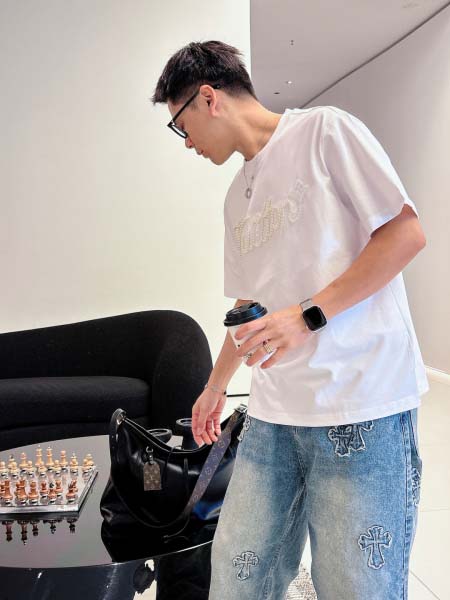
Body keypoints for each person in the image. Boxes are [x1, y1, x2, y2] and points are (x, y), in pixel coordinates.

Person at [152, 40, 428, 600]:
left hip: (360, 404)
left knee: (355, 587)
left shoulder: (325, 131)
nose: (187, 144)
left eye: (181, 125)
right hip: (274, 414)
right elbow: (249, 306)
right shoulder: (237, 196)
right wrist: (216, 384)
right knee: (236, 575)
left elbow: (405, 233)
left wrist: (307, 315)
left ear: (208, 98)